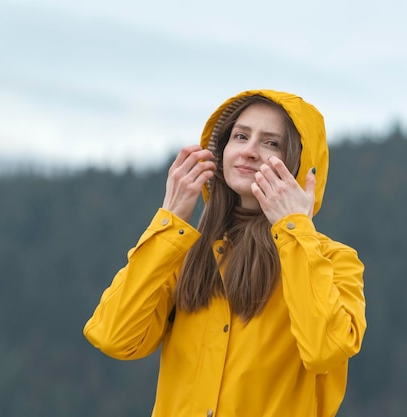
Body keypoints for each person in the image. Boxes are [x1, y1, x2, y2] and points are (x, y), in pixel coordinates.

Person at [84, 89, 367, 417]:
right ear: (220, 152)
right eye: (241, 136)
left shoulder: (333, 261)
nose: (249, 151)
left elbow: (326, 350)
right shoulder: (183, 252)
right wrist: (169, 219)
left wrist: (294, 230)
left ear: (302, 165)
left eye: (271, 143)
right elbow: (114, 336)